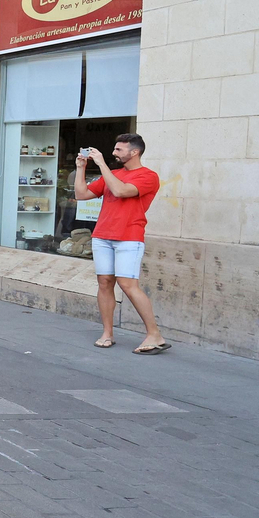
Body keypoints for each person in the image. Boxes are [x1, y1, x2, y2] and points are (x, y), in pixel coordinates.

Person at [75, 135, 167, 354]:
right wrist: (81, 168)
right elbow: (81, 194)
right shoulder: (113, 173)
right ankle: (107, 333)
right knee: (105, 282)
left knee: (127, 285)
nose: (114, 153)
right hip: (102, 236)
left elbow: (121, 191)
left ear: (134, 152)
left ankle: (154, 334)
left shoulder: (148, 176)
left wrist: (102, 164)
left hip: (129, 236)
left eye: (119, 149)